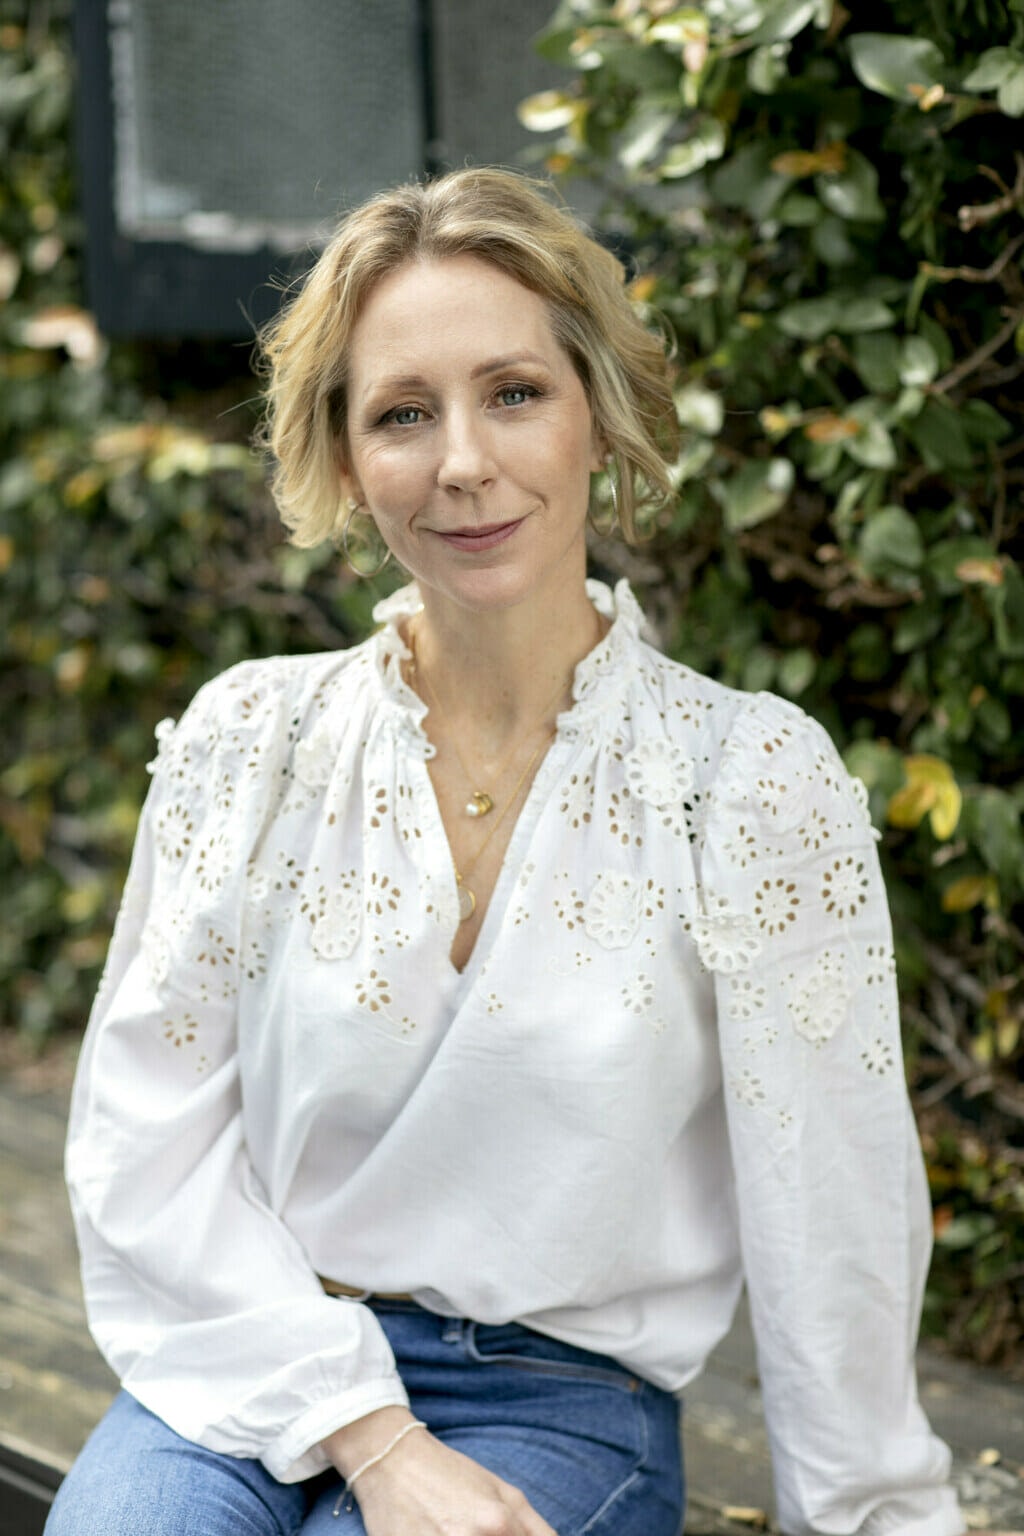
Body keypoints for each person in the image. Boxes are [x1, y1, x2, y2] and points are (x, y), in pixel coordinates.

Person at [47, 168, 968, 1536]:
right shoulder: (252, 744)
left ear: (598, 414)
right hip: (243, 1364)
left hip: (559, 1403)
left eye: (515, 393)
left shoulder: (749, 785)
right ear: (349, 464)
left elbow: (833, 1215)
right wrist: (370, 1436)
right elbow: (146, 1152)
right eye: (403, 414)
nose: (463, 459)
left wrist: (874, 1515)